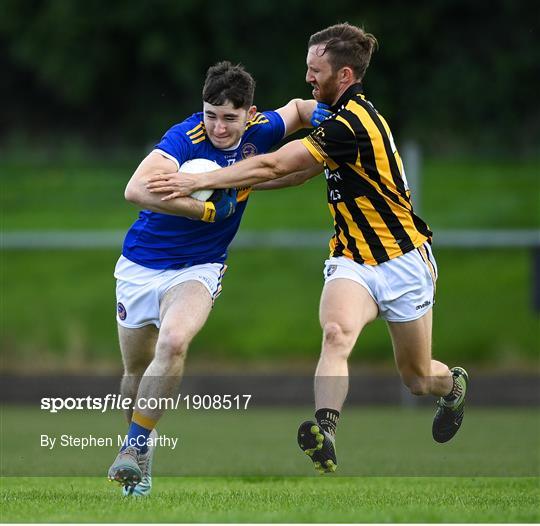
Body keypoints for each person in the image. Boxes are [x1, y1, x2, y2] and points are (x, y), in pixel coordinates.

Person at [146, 24, 469, 474]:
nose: (308, 79)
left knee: (417, 378)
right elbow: (295, 174)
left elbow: (279, 163)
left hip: (403, 259)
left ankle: (451, 387)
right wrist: (240, 184)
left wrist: (201, 180)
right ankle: (326, 431)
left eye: (316, 71)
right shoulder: (331, 118)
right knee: (336, 333)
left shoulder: (352, 124)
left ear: (345, 75)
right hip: (351, 257)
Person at [107, 60, 325, 494]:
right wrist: (205, 207)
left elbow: (301, 110)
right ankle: (142, 449)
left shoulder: (262, 130)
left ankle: (132, 451)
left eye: (229, 117)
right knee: (134, 372)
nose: (219, 128)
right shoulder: (184, 138)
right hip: (141, 264)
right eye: (211, 114)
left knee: (173, 342)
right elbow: (135, 190)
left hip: (199, 266)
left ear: (250, 113)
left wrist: (336, 119)